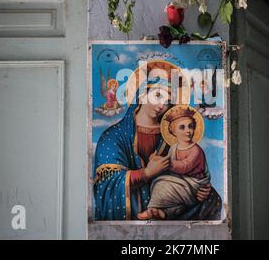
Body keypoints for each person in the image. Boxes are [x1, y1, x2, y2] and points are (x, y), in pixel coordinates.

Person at [94, 60, 222, 220]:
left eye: (168, 101)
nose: (162, 105)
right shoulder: (113, 136)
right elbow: (106, 184)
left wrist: (201, 189)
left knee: (212, 200)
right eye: (158, 95)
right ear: (141, 94)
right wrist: (146, 174)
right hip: (134, 204)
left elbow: (192, 169)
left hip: (169, 198)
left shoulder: (173, 136)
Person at [137, 105, 211, 220]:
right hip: (180, 182)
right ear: (173, 131)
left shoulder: (195, 150)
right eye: (182, 127)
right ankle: (161, 212)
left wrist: (165, 163)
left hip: (194, 185)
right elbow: (170, 163)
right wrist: (156, 159)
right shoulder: (174, 147)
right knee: (159, 183)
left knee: (163, 186)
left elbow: (185, 166)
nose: (188, 131)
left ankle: (151, 209)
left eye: (190, 126)